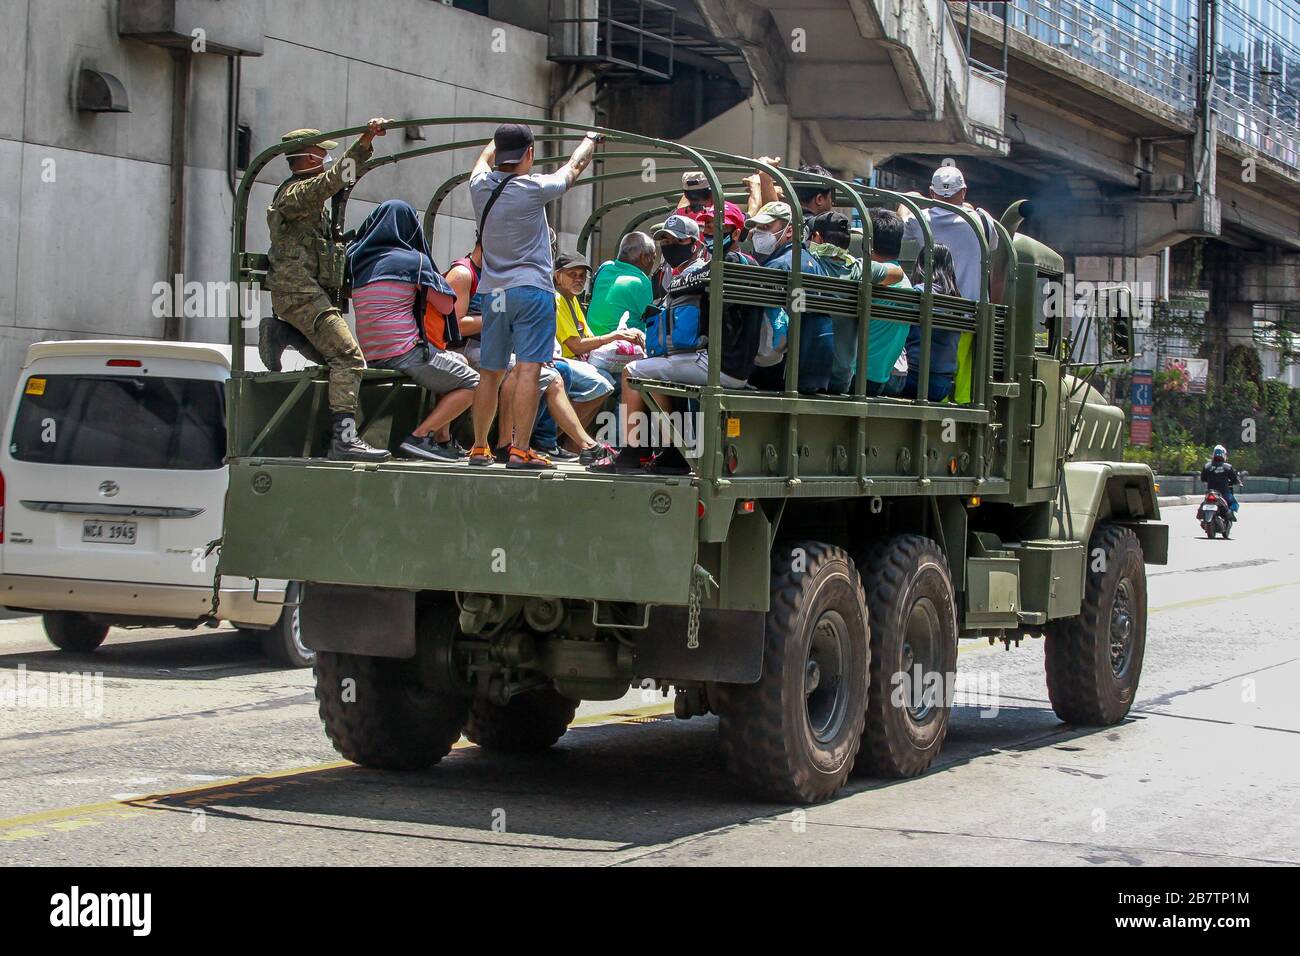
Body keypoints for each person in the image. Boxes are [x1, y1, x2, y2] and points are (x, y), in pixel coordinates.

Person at [466, 122, 602, 470]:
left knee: (491, 372)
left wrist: (496, 142)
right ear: (529, 154)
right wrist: (590, 139)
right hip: (531, 292)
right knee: (529, 370)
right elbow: (574, 168)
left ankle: (480, 447)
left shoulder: (479, 185)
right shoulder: (533, 188)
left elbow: (483, 158)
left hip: (495, 294)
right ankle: (520, 449)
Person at [591, 203, 762, 473]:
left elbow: (693, 290)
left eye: (676, 241)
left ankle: (631, 454)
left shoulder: (721, 266)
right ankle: (671, 455)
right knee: (655, 371)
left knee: (631, 371)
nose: (669, 246)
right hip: (721, 361)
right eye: (666, 241)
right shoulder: (732, 266)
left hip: (721, 364)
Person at [261, 119, 392, 462]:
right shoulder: (296, 194)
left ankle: (282, 332)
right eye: (321, 153)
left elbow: (334, 180)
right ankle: (344, 441)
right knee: (348, 356)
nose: (325, 159)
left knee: (333, 359)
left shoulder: (305, 194)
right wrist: (366, 139)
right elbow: (335, 180)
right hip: (300, 293)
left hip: (304, 292)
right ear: (307, 157)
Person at [346, 199, 478, 462]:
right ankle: (420, 437)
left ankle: (442, 439)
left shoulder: (358, 262)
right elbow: (446, 304)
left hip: (371, 352)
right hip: (404, 352)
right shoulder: (413, 261)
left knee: (458, 360)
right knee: (475, 383)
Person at [805, 210, 906, 394]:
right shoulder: (857, 270)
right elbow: (896, 273)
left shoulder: (807, 264)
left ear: (817, 237)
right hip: (845, 377)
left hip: (811, 373)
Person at [745, 201, 835, 394]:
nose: (759, 234)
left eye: (767, 227)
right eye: (758, 228)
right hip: (816, 368)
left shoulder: (779, 267)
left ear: (789, 230)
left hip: (788, 371)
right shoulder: (812, 261)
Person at [897, 243, 962, 401]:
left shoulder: (918, 293)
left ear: (920, 264)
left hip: (912, 377)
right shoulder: (958, 301)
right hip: (942, 384)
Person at [586, 232, 657, 336]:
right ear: (644, 257)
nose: (653, 263)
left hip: (591, 339)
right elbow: (653, 323)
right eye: (653, 258)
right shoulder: (641, 282)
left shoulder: (604, 269)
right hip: (621, 346)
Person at [1201, 444, 1242, 521]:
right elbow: (1234, 479)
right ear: (1224, 454)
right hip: (1224, 493)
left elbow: (1203, 479)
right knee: (1234, 503)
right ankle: (1230, 515)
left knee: (1203, 504)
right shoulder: (1228, 467)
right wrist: (1236, 482)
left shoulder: (1207, 466)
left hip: (1210, 492)